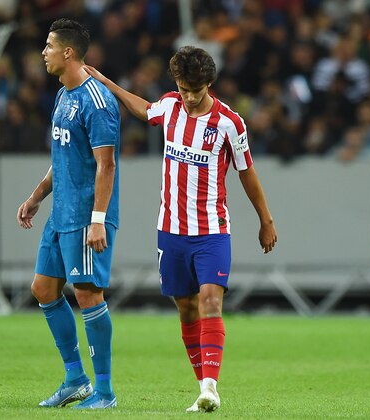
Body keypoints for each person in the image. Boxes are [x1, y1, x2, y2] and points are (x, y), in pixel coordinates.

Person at [84, 46, 278, 412]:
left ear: (210, 84)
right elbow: (144, 109)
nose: (190, 97)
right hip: (170, 230)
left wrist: (265, 219)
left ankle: (210, 387)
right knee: (186, 308)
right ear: (177, 83)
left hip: (212, 231)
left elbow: (246, 172)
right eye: (185, 89)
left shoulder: (229, 123)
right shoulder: (171, 106)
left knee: (209, 300)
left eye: (197, 90)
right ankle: (202, 386)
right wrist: (108, 83)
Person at [16, 18, 120, 410]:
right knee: (43, 289)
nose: (43, 52)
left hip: (86, 217)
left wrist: (98, 219)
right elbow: (61, 158)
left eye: (48, 45)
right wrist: (37, 195)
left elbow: (105, 165)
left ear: (68, 52)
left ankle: (105, 392)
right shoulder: (63, 96)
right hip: (60, 214)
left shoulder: (98, 102)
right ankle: (76, 379)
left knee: (88, 295)